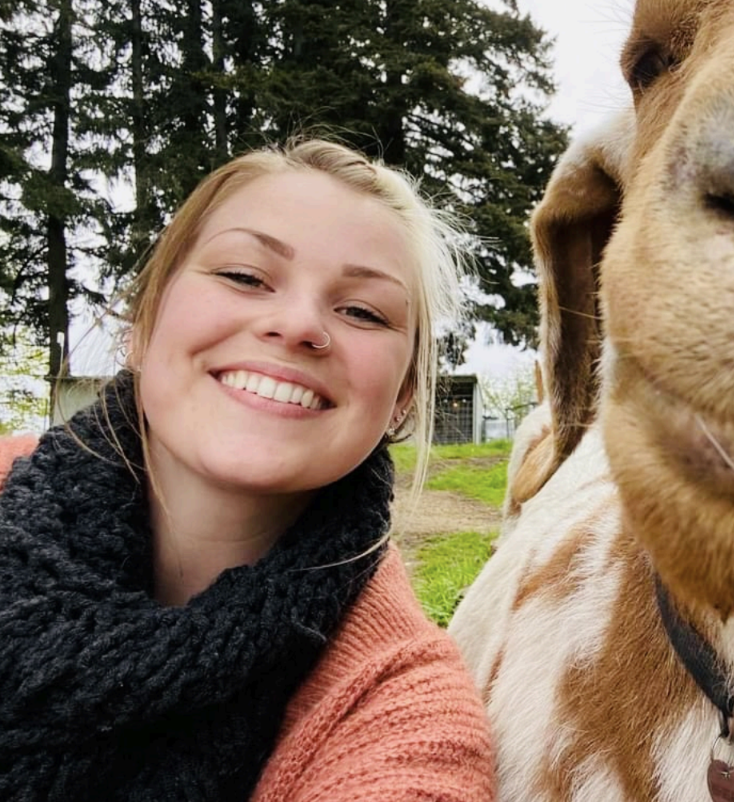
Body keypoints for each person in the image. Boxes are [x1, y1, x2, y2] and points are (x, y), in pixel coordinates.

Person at [0, 140, 495, 801]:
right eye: (244, 276)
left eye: (362, 311)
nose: (297, 325)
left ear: (402, 396)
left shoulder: (402, 713)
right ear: (142, 322)